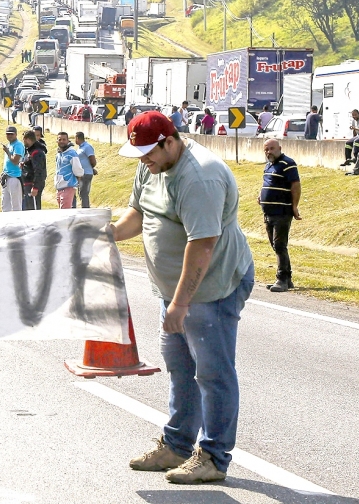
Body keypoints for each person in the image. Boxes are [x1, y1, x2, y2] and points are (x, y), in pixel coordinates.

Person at [114, 111, 253, 485]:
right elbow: (137, 215)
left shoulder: (200, 176)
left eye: (149, 153)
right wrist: (107, 233)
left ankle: (213, 457)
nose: (144, 161)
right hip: (174, 290)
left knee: (212, 373)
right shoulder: (153, 165)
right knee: (180, 368)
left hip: (211, 289)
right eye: (140, 154)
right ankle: (176, 446)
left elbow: (202, 244)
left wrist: (180, 304)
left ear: (169, 140)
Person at [259, 139, 301, 292]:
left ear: (279, 148)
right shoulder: (269, 165)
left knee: (279, 245)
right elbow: (267, 183)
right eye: (266, 149)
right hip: (268, 212)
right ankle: (287, 278)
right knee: (276, 245)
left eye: (271, 148)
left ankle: (282, 279)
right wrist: (261, 196)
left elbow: (295, 185)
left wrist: (295, 206)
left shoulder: (287, 163)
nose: (269, 152)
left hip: (282, 212)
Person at [0, 125, 25, 212]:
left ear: (16, 134)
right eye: (8, 134)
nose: (9, 136)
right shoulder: (9, 145)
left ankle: (18, 224)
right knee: (5, 205)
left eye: (11, 134)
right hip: (6, 177)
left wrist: (7, 152)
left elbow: (15, 161)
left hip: (14, 178)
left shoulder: (18, 145)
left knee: (16, 205)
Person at [20, 130, 46, 210]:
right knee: (27, 208)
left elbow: (39, 171)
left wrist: (35, 187)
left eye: (24, 139)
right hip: (27, 183)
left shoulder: (36, 152)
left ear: (27, 139)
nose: (23, 142)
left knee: (33, 209)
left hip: (32, 184)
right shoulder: (29, 151)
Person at [53, 132, 80, 209]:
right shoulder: (59, 154)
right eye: (60, 139)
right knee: (62, 210)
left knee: (65, 212)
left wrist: (74, 182)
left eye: (64, 139)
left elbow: (78, 171)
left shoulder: (72, 153)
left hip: (68, 186)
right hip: (59, 187)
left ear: (68, 141)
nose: (62, 141)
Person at [73, 131, 97, 208]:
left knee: (84, 193)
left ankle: (86, 209)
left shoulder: (87, 147)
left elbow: (92, 160)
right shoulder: (80, 148)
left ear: (77, 138)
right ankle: (84, 208)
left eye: (75, 138)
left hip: (86, 174)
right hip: (81, 173)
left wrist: (91, 168)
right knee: (81, 193)